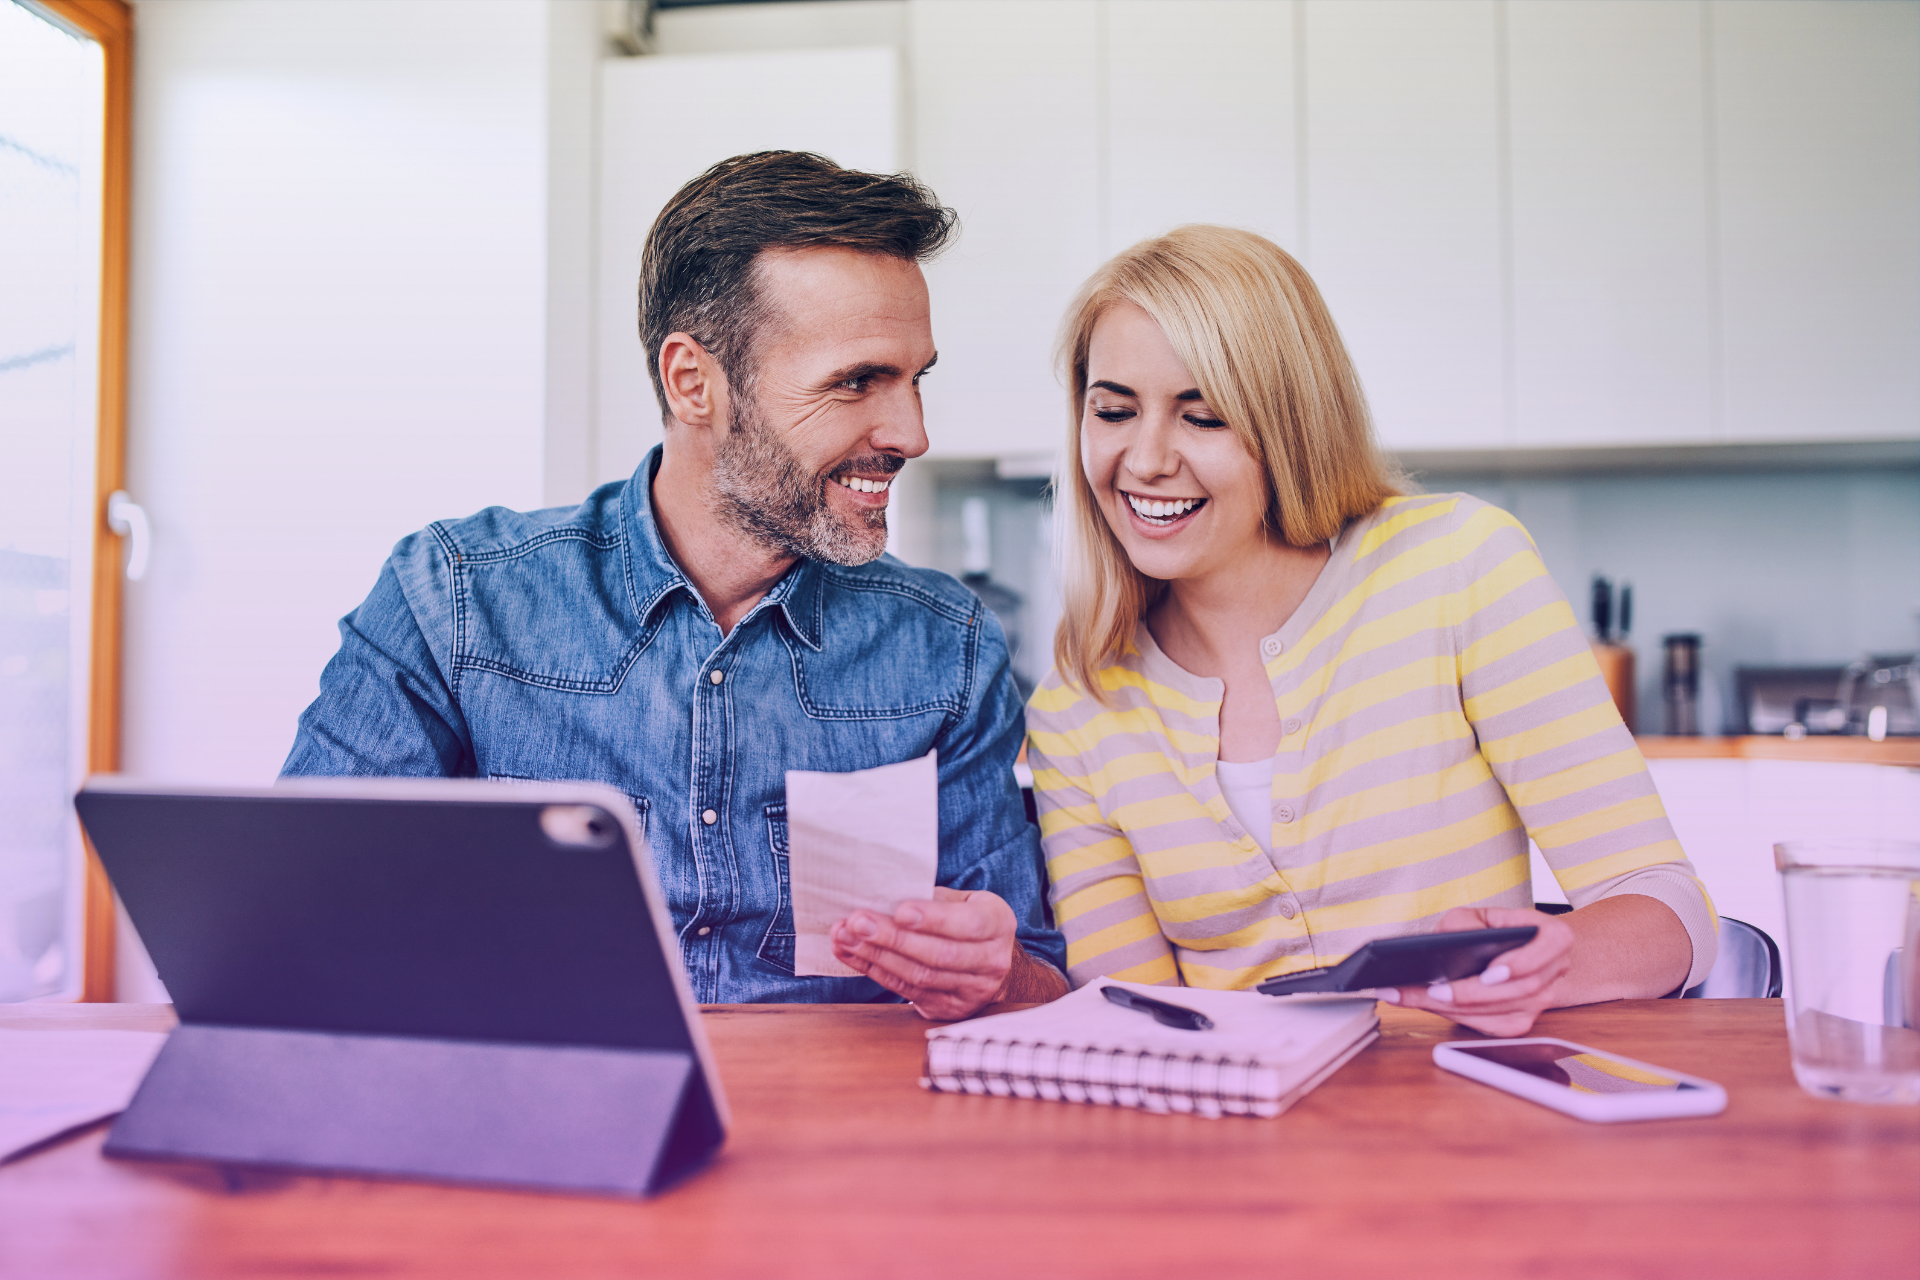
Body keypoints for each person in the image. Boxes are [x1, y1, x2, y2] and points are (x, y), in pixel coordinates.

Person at [284, 152, 1068, 1019]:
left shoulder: (945, 646)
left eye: (914, 379)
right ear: (693, 382)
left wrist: (995, 978)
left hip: (836, 1132)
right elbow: (288, 930)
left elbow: (1033, 980)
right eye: (856, 382)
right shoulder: (455, 601)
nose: (911, 433)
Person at [1025, 226, 1715, 1036]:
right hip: (1233, 1140)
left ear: (1290, 423)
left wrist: (1550, 959)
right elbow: (1136, 1017)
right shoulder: (1078, 704)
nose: (1144, 460)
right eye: (1113, 411)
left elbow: (1672, 913)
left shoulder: (1458, 568)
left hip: (1465, 1122)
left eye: (1201, 416)